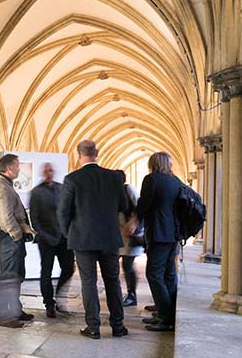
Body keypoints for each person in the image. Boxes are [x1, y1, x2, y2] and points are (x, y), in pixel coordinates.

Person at [57, 140, 129, 339]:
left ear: (79, 155)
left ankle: (93, 327)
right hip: (109, 238)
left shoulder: (72, 179)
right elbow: (123, 205)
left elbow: (63, 212)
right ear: (97, 153)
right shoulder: (113, 177)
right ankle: (118, 326)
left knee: (88, 282)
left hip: (83, 239)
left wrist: (68, 233)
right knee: (112, 281)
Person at [136, 152, 183, 332]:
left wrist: (135, 221)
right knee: (169, 274)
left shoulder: (152, 180)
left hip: (159, 234)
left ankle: (165, 317)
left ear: (153, 164)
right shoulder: (175, 181)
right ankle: (170, 313)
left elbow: (144, 204)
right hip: (174, 235)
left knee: (154, 274)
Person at [0, 154, 35, 328]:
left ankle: (15, 311)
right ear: (9, 168)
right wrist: (17, 236)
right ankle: (4, 317)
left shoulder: (6, 184)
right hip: (9, 238)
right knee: (8, 278)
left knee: (15, 277)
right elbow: (7, 217)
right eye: (17, 165)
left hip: (12, 237)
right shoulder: (2, 186)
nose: (19, 168)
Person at [29, 162, 75, 317]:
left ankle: (59, 297)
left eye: (51, 170)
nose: (49, 173)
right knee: (46, 273)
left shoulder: (61, 188)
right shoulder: (36, 192)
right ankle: (49, 304)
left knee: (69, 268)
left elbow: (69, 211)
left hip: (64, 238)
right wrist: (44, 235)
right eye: (46, 171)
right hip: (46, 239)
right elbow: (34, 219)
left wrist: (69, 232)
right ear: (43, 173)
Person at [117, 171, 144, 308]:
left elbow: (140, 208)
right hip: (118, 235)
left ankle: (132, 295)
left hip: (132, 235)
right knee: (113, 266)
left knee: (127, 265)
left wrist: (133, 224)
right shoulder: (112, 193)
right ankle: (118, 293)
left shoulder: (128, 190)